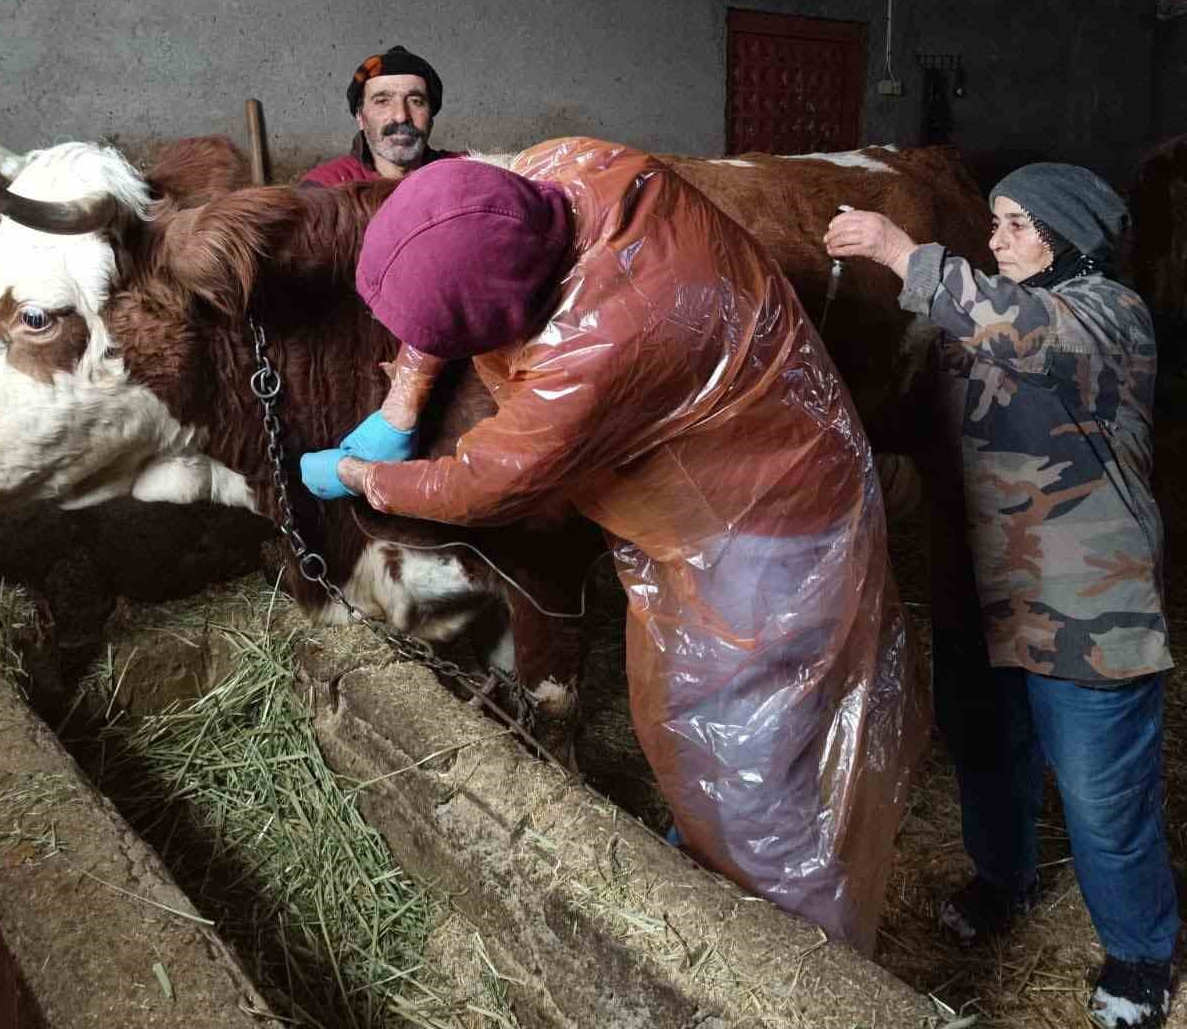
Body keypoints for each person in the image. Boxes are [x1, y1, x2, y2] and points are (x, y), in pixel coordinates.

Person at [298, 138, 927, 954]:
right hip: (718, 493)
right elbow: (454, 245)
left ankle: (792, 965)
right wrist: (403, 399)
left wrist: (362, 473)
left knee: (756, 758)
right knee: (690, 717)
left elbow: (487, 481)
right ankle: (715, 862)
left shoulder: (602, 340)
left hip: (765, 526)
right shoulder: (565, 166)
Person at [824, 164, 1178, 1029]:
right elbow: (953, 428)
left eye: (1016, 225)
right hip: (982, 589)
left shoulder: (1107, 315)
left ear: (1072, 236)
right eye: (995, 223)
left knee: (1102, 797)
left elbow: (1018, 330)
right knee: (987, 753)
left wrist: (900, 249)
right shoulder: (975, 322)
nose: (996, 240)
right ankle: (1003, 880)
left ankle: (1142, 953)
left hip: (1088, 607)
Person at [299, 46, 460, 187]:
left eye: (416, 101)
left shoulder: (465, 173)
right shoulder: (325, 188)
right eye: (382, 101)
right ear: (360, 117)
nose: (401, 116)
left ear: (431, 116)